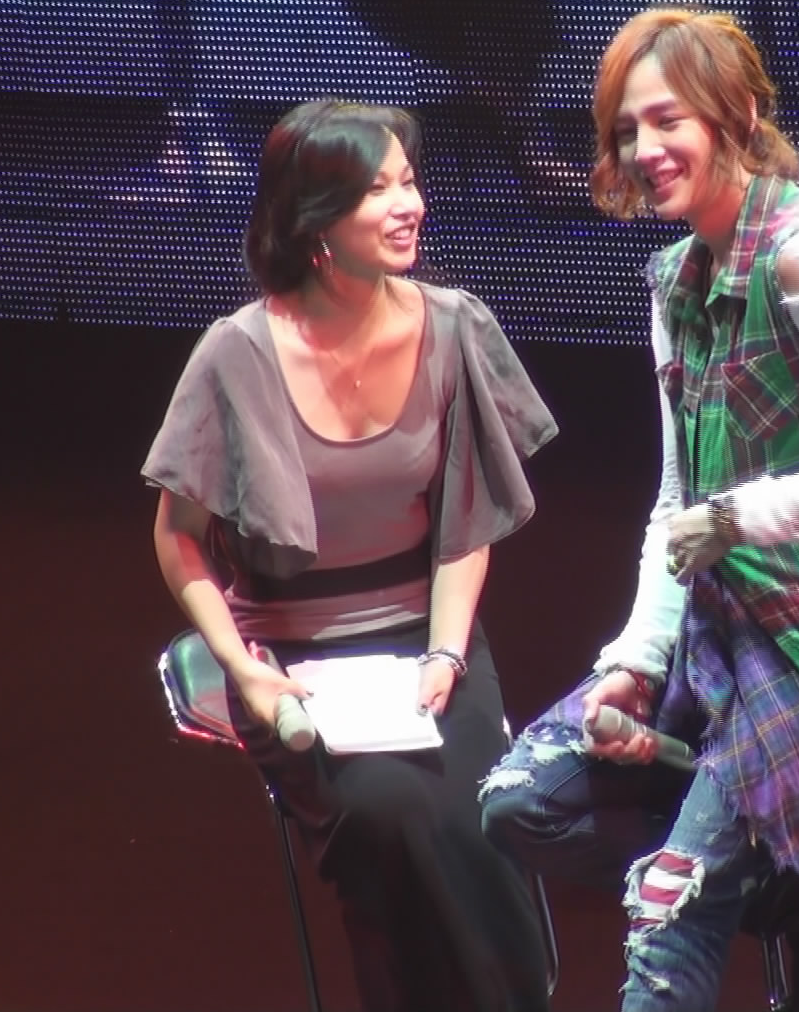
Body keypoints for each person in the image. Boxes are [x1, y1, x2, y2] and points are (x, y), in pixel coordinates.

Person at [477, 6, 799, 1012]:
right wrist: (637, 663)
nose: (644, 150)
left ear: (735, 117)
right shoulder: (673, 280)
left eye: (667, 121)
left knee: (673, 912)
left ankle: (777, 854)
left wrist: (743, 518)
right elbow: (677, 498)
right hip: (725, 628)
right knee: (521, 804)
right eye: (626, 131)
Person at [142, 100, 557, 1012]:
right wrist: (242, 668)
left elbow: (467, 524)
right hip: (290, 660)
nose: (410, 205)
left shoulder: (454, 328)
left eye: (410, 182)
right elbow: (178, 537)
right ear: (315, 220)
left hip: (426, 643)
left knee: (477, 819)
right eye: (378, 191)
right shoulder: (236, 354)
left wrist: (446, 653)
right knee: (386, 813)